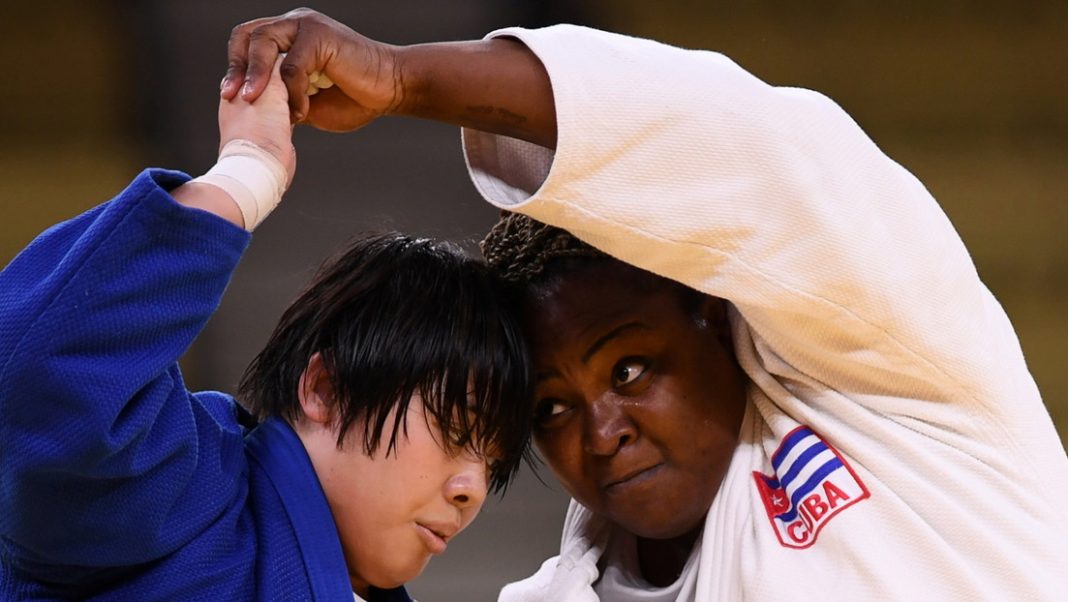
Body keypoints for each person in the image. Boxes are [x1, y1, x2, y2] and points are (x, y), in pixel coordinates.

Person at [223, 8, 1068, 601]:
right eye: (551, 407)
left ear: (711, 310)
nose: (601, 431)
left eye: (630, 367)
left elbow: (763, 153)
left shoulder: (901, 394)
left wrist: (405, 78)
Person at [0, 58, 533, 600]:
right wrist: (247, 172)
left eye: (492, 460)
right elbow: (47, 382)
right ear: (326, 388)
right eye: (455, 430)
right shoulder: (182, 504)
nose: (473, 490)